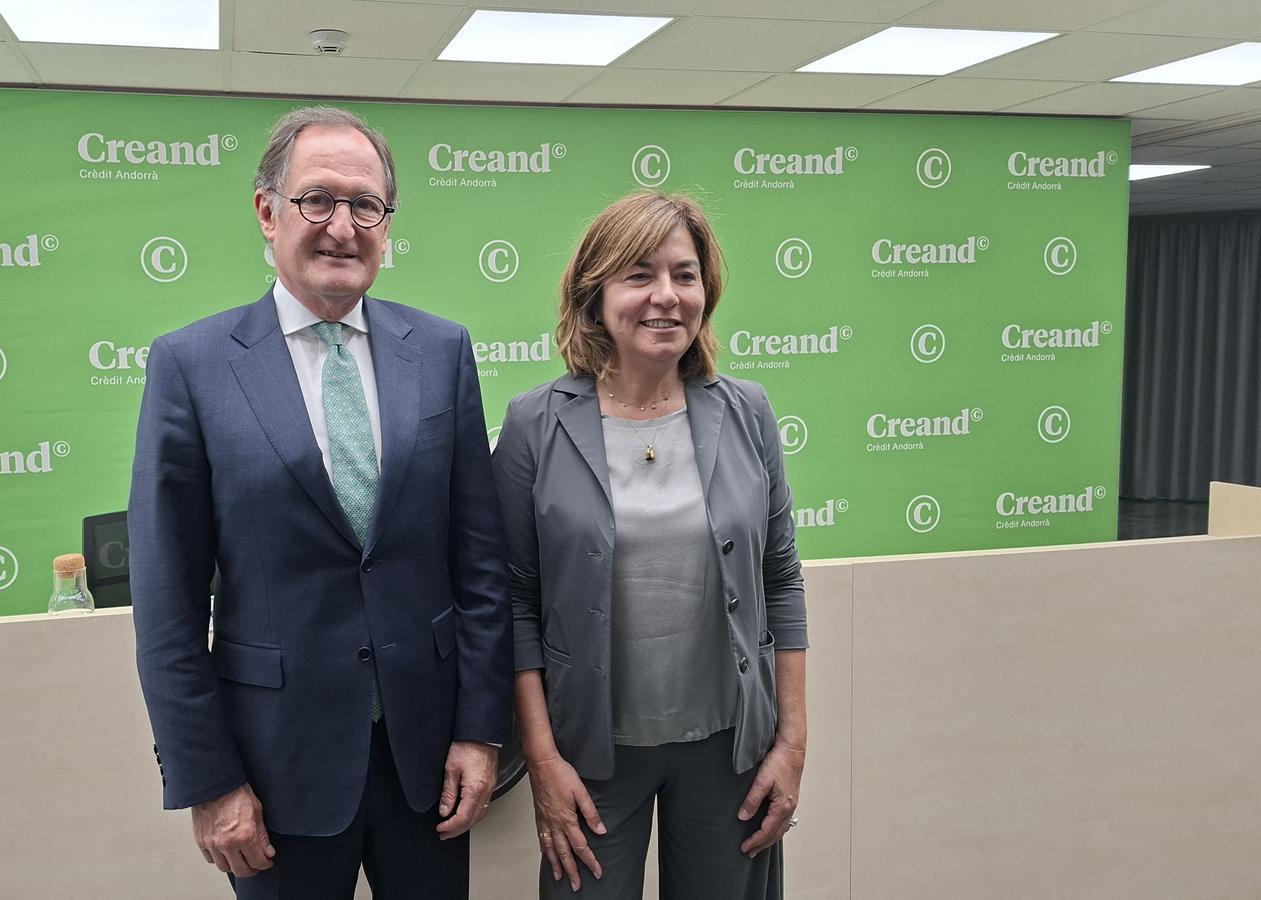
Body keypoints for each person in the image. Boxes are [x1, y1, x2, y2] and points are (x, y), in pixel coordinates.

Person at [129, 105, 512, 900]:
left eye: (365, 204)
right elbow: (166, 605)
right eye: (318, 199)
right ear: (268, 212)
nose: (343, 225)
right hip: (274, 777)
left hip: (428, 765)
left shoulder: (442, 353)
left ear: (386, 223)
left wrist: (480, 731)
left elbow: (479, 566)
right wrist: (209, 780)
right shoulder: (192, 367)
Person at [492, 191, 809, 899]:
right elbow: (515, 602)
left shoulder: (748, 412)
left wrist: (791, 744)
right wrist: (542, 760)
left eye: (684, 275)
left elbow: (781, 579)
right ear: (594, 295)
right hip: (591, 755)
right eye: (639, 275)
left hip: (730, 748)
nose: (666, 296)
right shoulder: (534, 424)